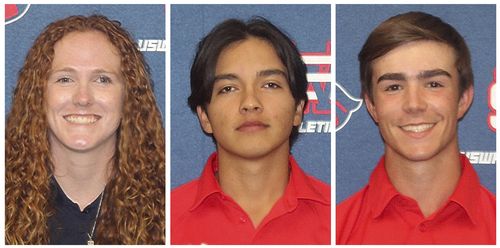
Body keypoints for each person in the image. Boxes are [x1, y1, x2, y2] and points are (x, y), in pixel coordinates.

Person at [336, 11, 495, 244]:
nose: (414, 105)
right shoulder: (334, 231)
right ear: (371, 105)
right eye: (393, 87)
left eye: (433, 84)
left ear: (463, 99)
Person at [5, 15, 165, 245]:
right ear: (37, 94)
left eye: (102, 79)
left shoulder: (166, 206)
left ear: (129, 97)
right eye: (65, 79)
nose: (82, 98)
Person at [171, 17, 330, 245]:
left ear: (298, 109)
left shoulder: (338, 218)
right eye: (228, 88)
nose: (250, 102)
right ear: (204, 117)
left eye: (270, 84)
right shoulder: (165, 219)